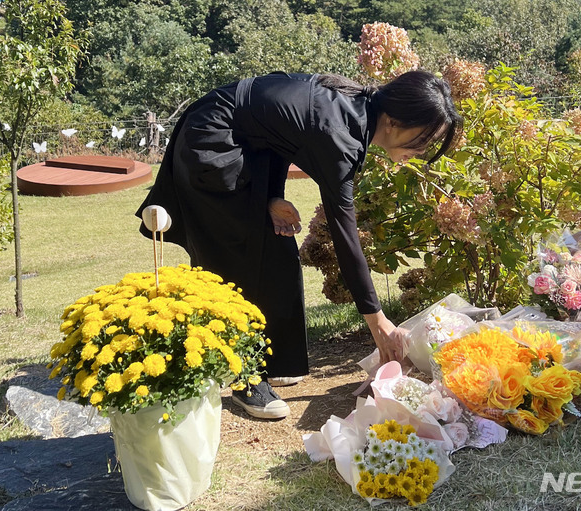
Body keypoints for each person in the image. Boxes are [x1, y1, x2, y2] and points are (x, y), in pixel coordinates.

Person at [136, 70, 463, 420]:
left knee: (276, 249)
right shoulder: (340, 135)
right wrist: (377, 320)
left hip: (246, 146)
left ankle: (273, 359)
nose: (421, 151)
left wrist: (271, 197)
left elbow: (276, 133)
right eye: (423, 140)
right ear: (396, 121)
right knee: (238, 263)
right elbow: (344, 233)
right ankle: (245, 376)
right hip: (211, 145)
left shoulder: (357, 111)